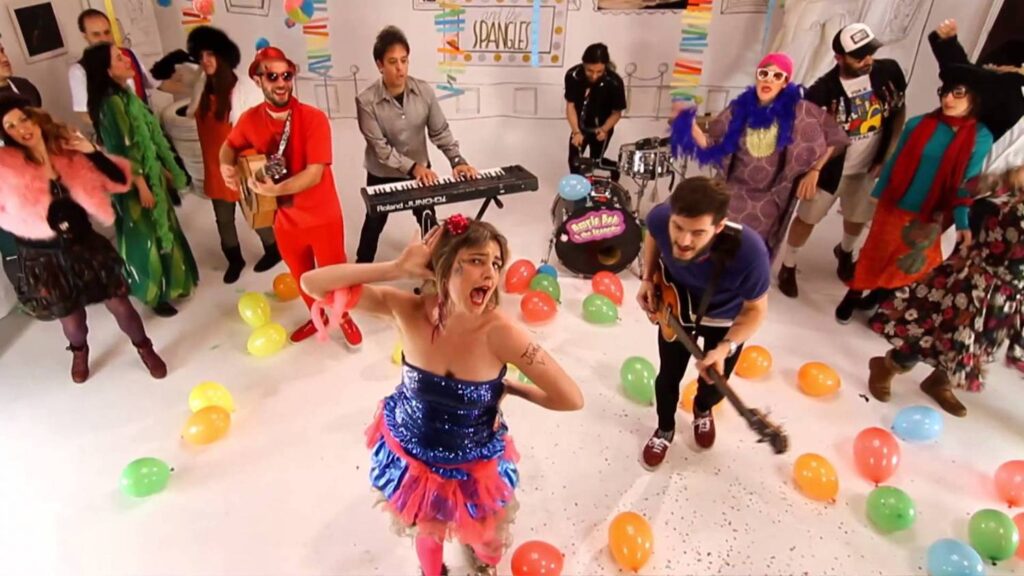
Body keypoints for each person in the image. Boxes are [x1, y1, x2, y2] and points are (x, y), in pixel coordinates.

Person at [300, 214, 583, 576]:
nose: (490, 274)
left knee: (487, 541)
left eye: (496, 264)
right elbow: (312, 284)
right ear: (445, 266)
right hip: (414, 456)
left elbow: (570, 397)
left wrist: (511, 388)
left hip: (473, 463)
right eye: (477, 260)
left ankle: (483, 567)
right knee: (427, 533)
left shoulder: (501, 333)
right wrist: (395, 268)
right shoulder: (406, 310)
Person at [0, 96, 166, 382]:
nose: (21, 129)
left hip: (84, 245)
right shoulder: (6, 168)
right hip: (44, 256)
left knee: (121, 305)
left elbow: (118, 179)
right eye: (10, 126)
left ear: (34, 117)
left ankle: (145, 348)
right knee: (73, 321)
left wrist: (92, 152)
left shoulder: (67, 151)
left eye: (23, 119)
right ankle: (79, 352)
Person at [219, 46, 362, 346]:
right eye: (272, 76)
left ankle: (343, 317)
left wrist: (276, 190)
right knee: (301, 275)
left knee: (335, 275)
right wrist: (225, 165)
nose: (281, 82)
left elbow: (314, 174)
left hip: (322, 216)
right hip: (282, 220)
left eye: (287, 75)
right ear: (257, 80)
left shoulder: (313, 118)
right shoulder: (249, 120)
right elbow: (229, 146)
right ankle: (317, 316)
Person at [834, 63, 994, 324]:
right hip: (896, 203)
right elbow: (895, 161)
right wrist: (878, 192)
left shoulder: (981, 137)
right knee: (876, 252)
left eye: (957, 93)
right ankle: (854, 294)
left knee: (908, 262)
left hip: (932, 214)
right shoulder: (918, 124)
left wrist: (962, 221)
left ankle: (878, 296)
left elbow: (968, 182)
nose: (948, 99)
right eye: (944, 92)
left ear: (974, 98)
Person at [866, 164, 1024, 417]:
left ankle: (939, 382)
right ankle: (889, 366)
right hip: (970, 280)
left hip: (1007, 296)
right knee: (929, 330)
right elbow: (965, 190)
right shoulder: (1009, 187)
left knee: (973, 346)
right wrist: (963, 223)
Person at [636, 177, 770, 470]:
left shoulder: (750, 253)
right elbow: (654, 234)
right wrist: (648, 278)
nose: (684, 241)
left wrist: (724, 348)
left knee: (716, 383)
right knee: (667, 377)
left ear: (719, 227)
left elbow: (756, 310)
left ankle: (702, 409)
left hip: (725, 321)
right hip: (675, 308)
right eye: (678, 227)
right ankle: (665, 429)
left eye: (698, 232)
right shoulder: (661, 217)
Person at [671, 52, 847, 259]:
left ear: (785, 82)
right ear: (757, 76)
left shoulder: (803, 113)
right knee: (719, 246)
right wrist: (689, 123)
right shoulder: (738, 109)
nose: (768, 80)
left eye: (777, 76)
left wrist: (815, 170)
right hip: (732, 192)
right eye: (764, 74)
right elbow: (712, 146)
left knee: (752, 252)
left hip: (770, 199)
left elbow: (835, 138)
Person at [778, 23, 907, 297]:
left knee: (858, 216)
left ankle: (846, 251)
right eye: (859, 56)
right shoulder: (821, 92)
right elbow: (806, 137)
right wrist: (812, 169)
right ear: (839, 57)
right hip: (830, 170)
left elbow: (898, 112)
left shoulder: (888, 72)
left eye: (870, 52)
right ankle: (788, 264)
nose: (867, 60)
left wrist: (887, 156)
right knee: (808, 217)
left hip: (868, 166)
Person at [82, 43, 199, 317]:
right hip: (132, 183)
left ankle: (173, 284)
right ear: (107, 70)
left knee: (164, 229)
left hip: (149, 176)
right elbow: (119, 151)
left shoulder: (126, 95)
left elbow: (145, 141)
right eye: (118, 58)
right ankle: (153, 293)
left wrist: (161, 170)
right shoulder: (111, 104)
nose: (126, 60)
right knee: (144, 237)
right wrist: (142, 185)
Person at [354, 26, 479, 264]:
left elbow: (440, 131)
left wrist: (457, 161)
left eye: (404, 60)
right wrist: (414, 168)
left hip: (420, 171)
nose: (400, 68)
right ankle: (360, 269)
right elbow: (380, 149)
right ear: (379, 64)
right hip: (382, 173)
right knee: (374, 222)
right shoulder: (366, 101)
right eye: (392, 62)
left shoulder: (424, 92)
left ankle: (435, 269)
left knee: (428, 220)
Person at [186, 26, 279, 284]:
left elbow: (259, 131)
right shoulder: (201, 88)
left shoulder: (241, 91)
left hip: (242, 165)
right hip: (215, 167)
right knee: (223, 219)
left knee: (256, 213)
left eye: (211, 55)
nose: (205, 61)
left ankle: (274, 249)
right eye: (201, 56)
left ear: (223, 57)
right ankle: (234, 260)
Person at [930, 19, 1024, 174]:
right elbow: (966, 81)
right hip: (953, 169)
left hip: (996, 184)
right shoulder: (1014, 61)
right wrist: (947, 45)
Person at [0, 40, 42, 288]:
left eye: (2, 50)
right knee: (18, 248)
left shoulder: (25, 87)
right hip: (8, 192)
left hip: (40, 179)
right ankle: (32, 296)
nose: (3, 58)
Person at [564, 42, 627, 174]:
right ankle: (577, 186)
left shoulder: (614, 82)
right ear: (584, 64)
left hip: (602, 126)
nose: (594, 76)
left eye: (599, 72)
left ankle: (615, 169)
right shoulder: (573, 76)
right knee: (574, 162)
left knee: (596, 161)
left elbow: (617, 112)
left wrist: (604, 129)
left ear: (605, 67)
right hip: (580, 125)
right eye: (590, 71)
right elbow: (570, 106)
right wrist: (576, 131)